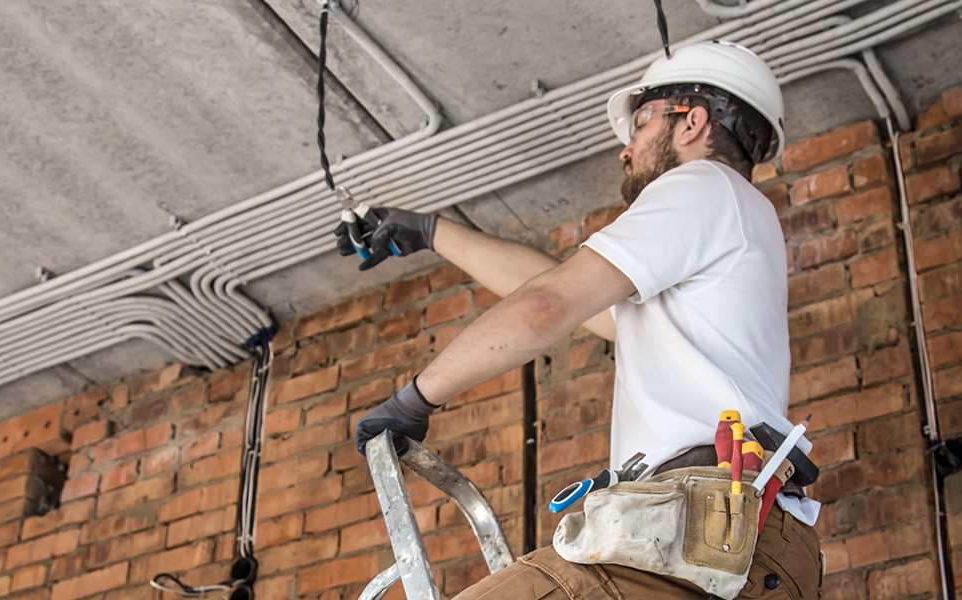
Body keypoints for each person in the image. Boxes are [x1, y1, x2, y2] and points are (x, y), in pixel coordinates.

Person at [341, 41, 823, 599]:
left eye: (640, 123)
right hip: (734, 544)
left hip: (702, 529)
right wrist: (430, 232)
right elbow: (556, 291)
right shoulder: (721, 244)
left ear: (692, 122)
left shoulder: (704, 185)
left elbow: (547, 306)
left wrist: (413, 401)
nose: (625, 150)